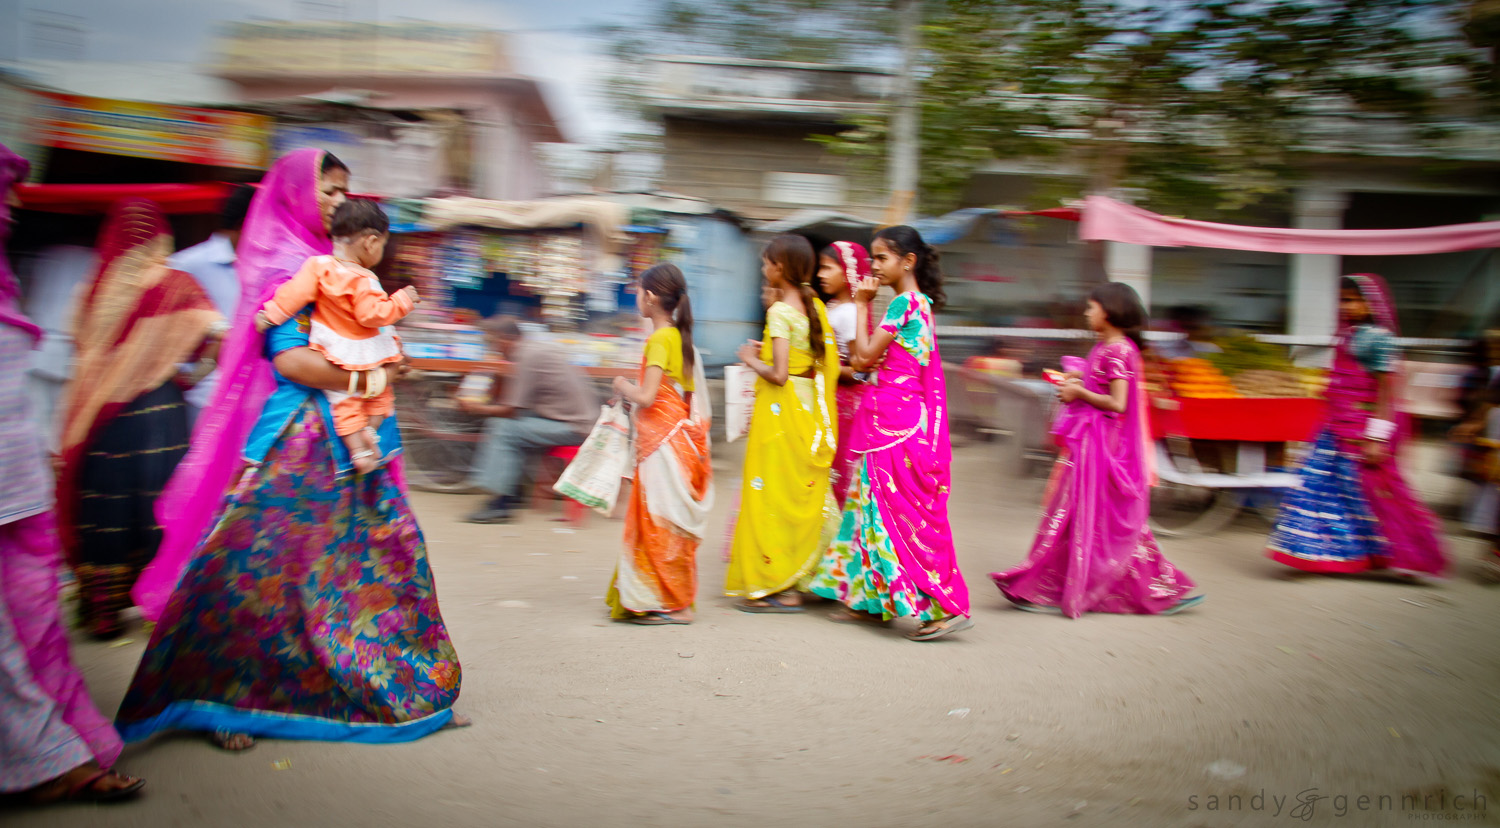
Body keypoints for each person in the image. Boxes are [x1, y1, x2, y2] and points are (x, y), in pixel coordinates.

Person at [117, 148, 466, 751]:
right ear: (294, 195)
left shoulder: (346, 267)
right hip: (301, 445)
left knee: (384, 559)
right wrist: (371, 379)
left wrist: (386, 361)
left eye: (342, 193)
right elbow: (291, 359)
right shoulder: (290, 266)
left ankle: (402, 690)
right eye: (327, 191)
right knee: (257, 571)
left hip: (358, 441)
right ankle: (223, 698)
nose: (336, 203)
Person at [0, 142, 145, 805]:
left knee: (33, 620)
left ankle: (49, 752)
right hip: (60, 429)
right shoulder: (82, 271)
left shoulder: (25, 278)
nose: (11, 209)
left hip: (34, 455)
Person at [55, 198, 221, 640]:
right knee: (159, 506)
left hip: (101, 418)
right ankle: (160, 606)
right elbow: (215, 340)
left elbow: (81, 347)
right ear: (159, 237)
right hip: (158, 416)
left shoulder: (90, 290)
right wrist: (186, 376)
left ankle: (103, 612)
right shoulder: (175, 284)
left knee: (105, 507)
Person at [990, 282, 1203, 618]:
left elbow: (1117, 403)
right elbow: (1100, 389)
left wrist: (1079, 394)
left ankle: (1152, 590)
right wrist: (1076, 382)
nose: (1087, 313)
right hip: (1091, 445)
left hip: (1103, 447)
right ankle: (1049, 586)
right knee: (1080, 515)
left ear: (1110, 310)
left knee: (1097, 517)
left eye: (1092, 308)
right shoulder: (1106, 348)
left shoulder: (1119, 350)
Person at [807, 225, 972, 640]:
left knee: (899, 516)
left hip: (895, 426)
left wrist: (862, 304)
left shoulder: (904, 304)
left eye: (881, 258)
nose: (874, 266)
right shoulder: (917, 305)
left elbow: (861, 359)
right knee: (869, 511)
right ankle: (870, 602)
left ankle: (943, 606)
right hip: (890, 419)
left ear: (908, 262)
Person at [1264, 274, 1447, 579]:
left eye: (1351, 300)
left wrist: (1376, 438)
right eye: (1341, 300)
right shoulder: (1348, 335)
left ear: (1370, 303)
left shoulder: (1378, 338)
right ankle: (1322, 553)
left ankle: (1413, 553)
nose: (1344, 306)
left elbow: (1387, 391)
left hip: (1361, 432)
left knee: (1375, 492)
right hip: (1334, 429)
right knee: (1320, 489)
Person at [255, 198, 420, 473]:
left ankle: (359, 449)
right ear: (370, 242)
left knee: (344, 403)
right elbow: (372, 315)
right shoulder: (365, 278)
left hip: (334, 348)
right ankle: (370, 435)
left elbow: (292, 296)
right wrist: (402, 301)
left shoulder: (317, 265)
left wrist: (269, 315)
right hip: (362, 352)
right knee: (379, 399)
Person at [724, 234, 840, 613]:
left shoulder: (778, 312)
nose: (762, 269)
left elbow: (777, 375)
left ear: (779, 267)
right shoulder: (813, 308)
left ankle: (782, 584)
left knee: (773, 495)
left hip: (782, 412)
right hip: (809, 409)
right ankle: (808, 577)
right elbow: (803, 361)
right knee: (802, 494)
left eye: (765, 263)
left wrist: (748, 358)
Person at [606, 263, 714, 624]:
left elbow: (648, 396)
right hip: (678, 443)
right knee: (667, 522)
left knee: (655, 522)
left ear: (650, 298)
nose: (637, 297)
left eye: (639, 291)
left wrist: (621, 385)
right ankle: (671, 598)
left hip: (660, 445)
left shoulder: (659, 339)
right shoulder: (681, 339)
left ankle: (663, 602)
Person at [458, 316, 597, 523]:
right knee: (514, 425)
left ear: (505, 339)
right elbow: (521, 405)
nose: (494, 348)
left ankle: (500, 503)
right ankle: (513, 491)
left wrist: (478, 407)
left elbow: (512, 409)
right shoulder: (534, 348)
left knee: (503, 428)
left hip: (575, 427)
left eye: (493, 342)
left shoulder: (527, 355)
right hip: (575, 420)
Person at [170, 182, 256, 425]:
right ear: (245, 224)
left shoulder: (260, 267)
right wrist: (190, 378)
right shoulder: (186, 264)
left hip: (248, 400)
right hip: (201, 401)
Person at [818, 241, 873, 506]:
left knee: (838, 474)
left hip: (845, 406)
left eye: (827, 268)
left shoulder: (850, 312)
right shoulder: (833, 307)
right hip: (830, 398)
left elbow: (861, 372)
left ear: (848, 272)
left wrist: (821, 367)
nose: (820, 275)